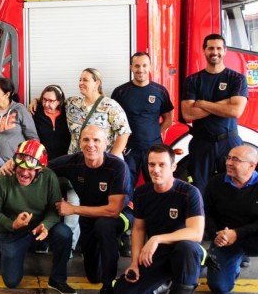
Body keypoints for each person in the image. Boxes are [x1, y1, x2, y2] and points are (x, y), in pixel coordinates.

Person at [112, 144, 205, 294]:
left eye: (162, 164)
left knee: (187, 247)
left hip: (183, 253)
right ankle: (164, 283)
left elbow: (196, 233)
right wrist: (135, 263)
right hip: (156, 255)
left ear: (173, 166)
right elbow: (138, 229)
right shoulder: (143, 193)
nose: (156, 169)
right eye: (152, 164)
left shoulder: (189, 193)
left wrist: (157, 238)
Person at [49, 125, 131, 294]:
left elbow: (112, 210)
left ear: (106, 144)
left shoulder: (117, 167)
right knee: (93, 275)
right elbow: (42, 165)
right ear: (79, 142)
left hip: (120, 215)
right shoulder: (73, 162)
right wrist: (13, 163)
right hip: (88, 216)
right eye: (86, 140)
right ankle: (104, 269)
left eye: (96, 140)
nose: (90, 145)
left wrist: (73, 209)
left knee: (105, 226)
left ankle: (108, 290)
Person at [0, 140, 75, 294]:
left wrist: (46, 225)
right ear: (14, 165)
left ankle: (58, 279)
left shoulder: (49, 177)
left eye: (31, 169)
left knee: (64, 233)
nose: (24, 173)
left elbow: (55, 209)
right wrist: (12, 224)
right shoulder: (3, 179)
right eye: (20, 167)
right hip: (14, 232)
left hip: (39, 229)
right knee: (11, 282)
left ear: (39, 170)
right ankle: (5, 253)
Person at [181, 33, 248, 192]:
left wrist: (203, 104)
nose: (215, 52)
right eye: (211, 48)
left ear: (225, 51)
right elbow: (188, 114)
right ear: (204, 51)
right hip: (201, 144)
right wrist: (224, 103)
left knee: (234, 186)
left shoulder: (237, 79)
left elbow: (236, 111)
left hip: (229, 143)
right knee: (199, 189)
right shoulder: (193, 81)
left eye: (219, 48)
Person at [111, 53, 173, 191]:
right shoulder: (120, 92)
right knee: (124, 188)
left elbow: (168, 119)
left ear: (150, 67)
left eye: (144, 65)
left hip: (154, 149)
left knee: (157, 186)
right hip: (128, 150)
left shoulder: (160, 91)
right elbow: (113, 122)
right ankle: (127, 213)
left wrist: (153, 134)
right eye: (137, 66)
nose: (141, 69)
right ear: (131, 68)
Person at [204, 145, 258, 294]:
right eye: (228, 158)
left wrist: (237, 233)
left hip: (253, 235)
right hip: (224, 238)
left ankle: (241, 255)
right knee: (219, 288)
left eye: (236, 159)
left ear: (251, 166)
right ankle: (234, 261)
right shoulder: (215, 183)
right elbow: (205, 213)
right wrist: (217, 235)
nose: (228, 163)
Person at [65, 68, 131, 156]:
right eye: (80, 80)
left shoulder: (110, 106)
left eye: (85, 80)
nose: (80, 83)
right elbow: (52, 101)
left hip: (100, 163)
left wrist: (111, 159)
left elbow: (124, 133)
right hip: (75, 161)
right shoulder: (72, 103)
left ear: (97, 83)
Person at [0, 77, 38, 161]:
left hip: (15, 165)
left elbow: (33, 138)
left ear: (7, 94)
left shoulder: (19, 110)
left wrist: (28, 160)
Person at [31, 85, 71, 161]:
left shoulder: (68, 113)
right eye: (44, 100)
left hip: (64, 159)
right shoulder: (35, 112)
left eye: (51, 101)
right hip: (41, 160)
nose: (46, 104)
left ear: (59, 101)